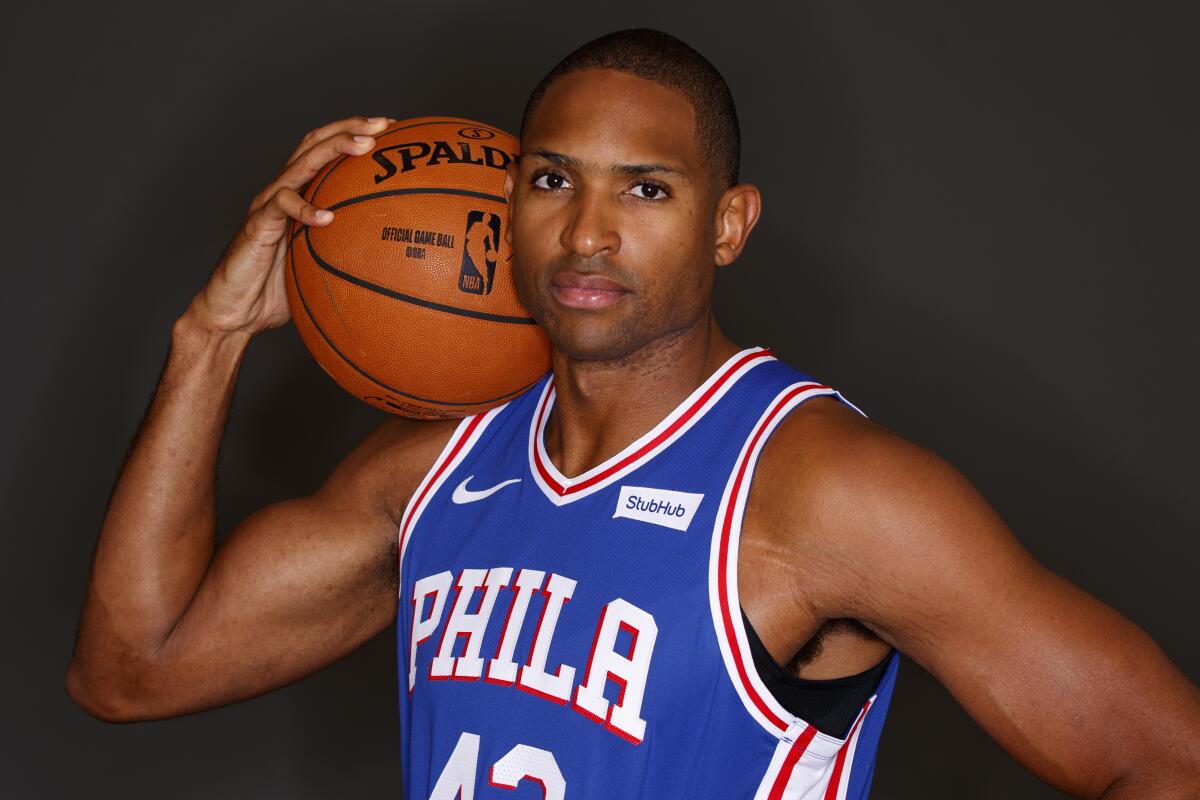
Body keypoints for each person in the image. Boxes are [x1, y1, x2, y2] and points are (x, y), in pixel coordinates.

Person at [67, 29, 1200, 799]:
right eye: (553, 180)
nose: (588, 231)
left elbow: (1164, 758)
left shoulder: (826, 488)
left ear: (730, 223)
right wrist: (207, 339)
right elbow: (134, 667)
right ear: (506, 205)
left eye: (646, 188)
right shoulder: (434, 469)